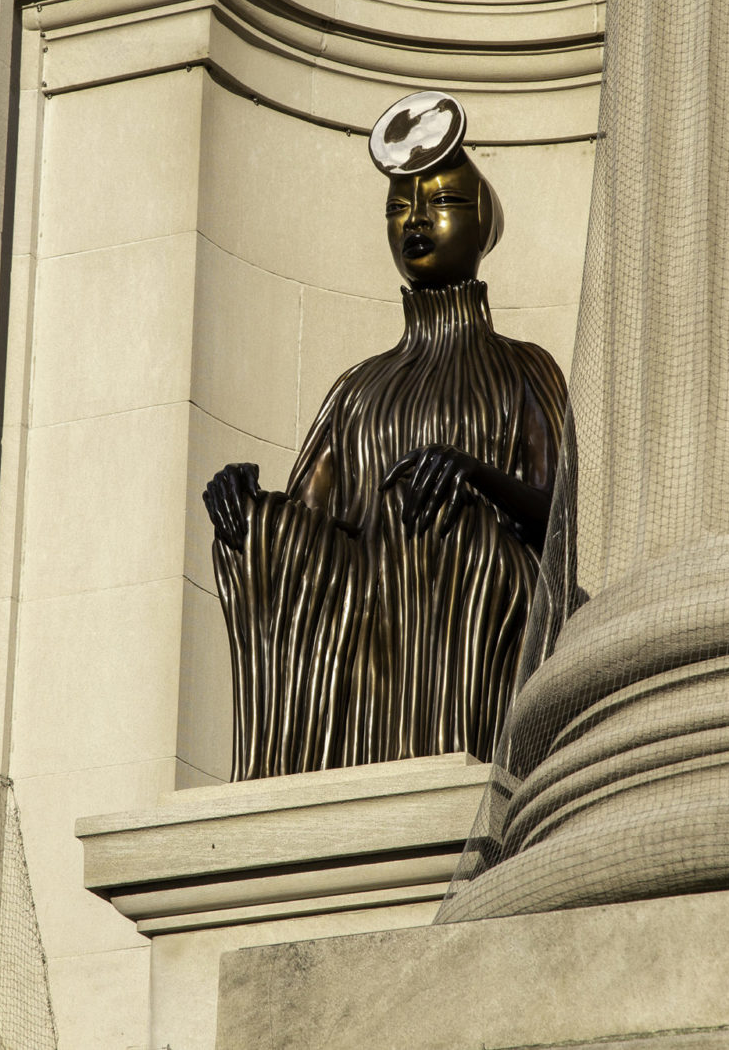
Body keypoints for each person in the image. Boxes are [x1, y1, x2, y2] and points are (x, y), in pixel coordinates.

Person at [202, 91, 569, 779]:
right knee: (263, 533)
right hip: (366, 596)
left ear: (481, 221)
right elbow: (312, 518)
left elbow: (560, 518)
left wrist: (471, 474)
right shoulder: (358, 387)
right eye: (399, 208)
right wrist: (249, 511)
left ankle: (452, 761)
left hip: (474, 579)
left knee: (448, 530)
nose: (417, 221)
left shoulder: (523, 367)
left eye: (441, 204)